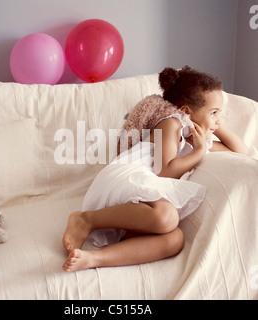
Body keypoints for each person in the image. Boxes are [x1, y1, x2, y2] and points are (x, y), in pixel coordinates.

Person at [62, 66, 248, 272]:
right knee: (167, 217)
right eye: (214, 113)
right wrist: (199, 151)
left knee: (175, 240)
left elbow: (241, 152)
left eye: (219, 113)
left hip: (138, 202)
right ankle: (86, 219)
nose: (218, 119)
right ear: (185, 111)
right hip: (125, 177)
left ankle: (95, 258)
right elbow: (164, 171)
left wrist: (212, 124)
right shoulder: (171, 124)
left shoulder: (197, 141)